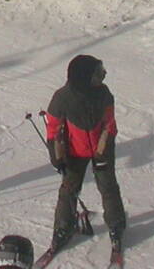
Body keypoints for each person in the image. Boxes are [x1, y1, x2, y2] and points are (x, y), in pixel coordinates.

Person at [44, 54, 126, 257]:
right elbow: (53, 131)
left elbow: (109, 125)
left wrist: (102, 152)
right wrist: (58, 158)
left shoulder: (103, 93)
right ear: (83, 78)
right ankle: (63, 228)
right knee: (68, 190)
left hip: (101, 150)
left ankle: (116, 225)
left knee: (108, 186)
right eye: (98, 73)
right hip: (74, 152)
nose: (103, 76)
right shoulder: (62, 98)